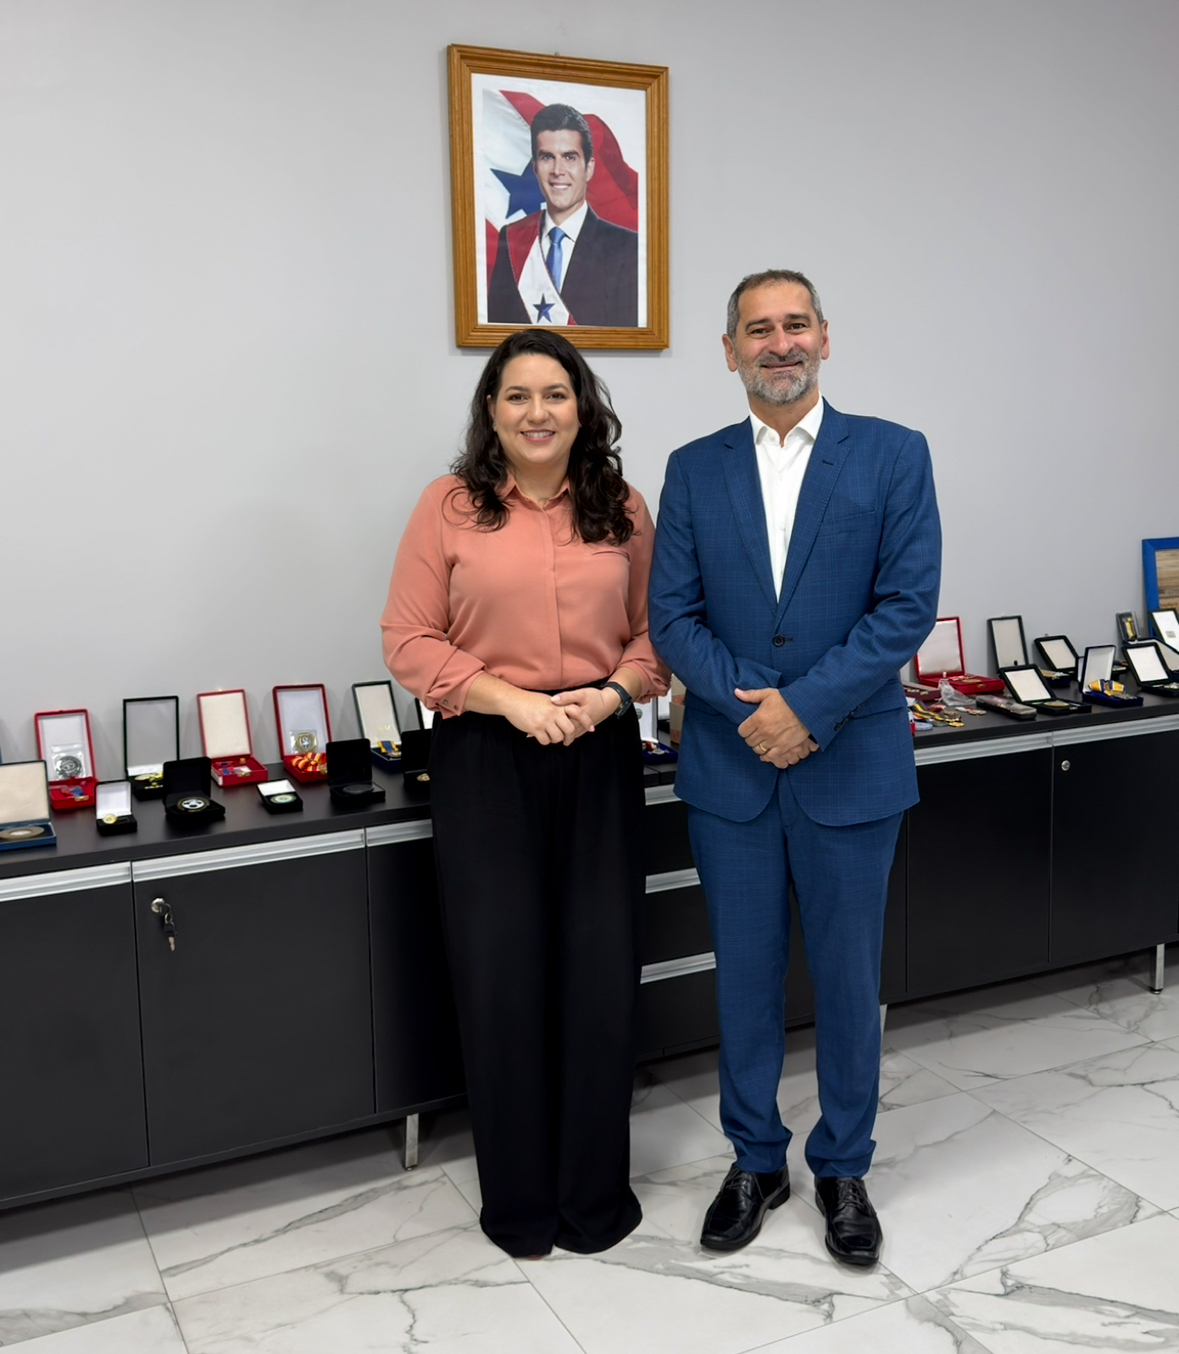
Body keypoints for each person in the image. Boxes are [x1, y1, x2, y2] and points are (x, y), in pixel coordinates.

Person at [648, 270, 941, 1266]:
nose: (780, 344)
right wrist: (754, 711)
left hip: (850, 765)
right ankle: (756, 1159)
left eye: (795, 325)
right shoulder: (693, 468)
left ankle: (844, 1166)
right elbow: (672, 619)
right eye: (757, 330)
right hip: (731, 774)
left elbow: (905, 607)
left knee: (850, 979)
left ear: (825, 337)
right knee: (746, 979)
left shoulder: (895, 456)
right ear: (727, 350)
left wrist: (805, 708)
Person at [381, 328, 667, 1259]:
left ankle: (594, 1199)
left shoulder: (620, 506)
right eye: (516, 397)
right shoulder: (448, 507)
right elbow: (409, 639)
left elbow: (654, 637)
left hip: (598, 754)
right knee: (500, 979)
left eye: (554, 394)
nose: (536, 412)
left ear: (581, 406)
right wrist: (511, 703)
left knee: (597, 975)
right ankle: (519, 1206)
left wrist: (606, 698)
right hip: (483, 757)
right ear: (491, 413)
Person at [487, 103, 639, 328]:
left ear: (589, 168)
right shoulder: (511, 238)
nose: (558, 170)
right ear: (535, 167)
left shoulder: (626, 248)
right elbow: (498, 334)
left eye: (569, 157)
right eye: (547, 157)